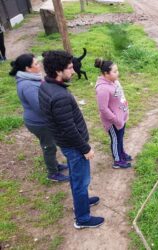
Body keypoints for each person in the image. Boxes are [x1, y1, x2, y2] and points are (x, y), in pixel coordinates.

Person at [39, 50, 104, 229]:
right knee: (81, 181)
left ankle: (81, 202)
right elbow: (69, 129)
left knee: (77, 179)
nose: (74, 71)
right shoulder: (59, 96)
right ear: (58, 71)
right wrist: (85, 148)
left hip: (65, 143)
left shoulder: (46, 85)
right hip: (74, 146)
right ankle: (82, 218)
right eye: (69, 68)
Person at [9, 53, 69, 182]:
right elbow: (41, 107)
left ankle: (55, 165)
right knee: (49, 146)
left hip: (42, 120)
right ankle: (52, 173)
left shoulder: (32, 78)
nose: (39, 65)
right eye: (36, 64)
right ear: (27, 68)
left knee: (51, 144)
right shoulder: (28, 85)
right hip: (39, 123)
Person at [94, 58, 132, 169]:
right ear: (106, 73)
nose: (117, 73)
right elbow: (103, 109)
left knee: (120, 137)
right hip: (113, 122)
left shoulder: (114, 82)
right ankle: (117, 160)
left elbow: (121, 96)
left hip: (121, 118)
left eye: (117, 70)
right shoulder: (103, 89)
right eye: (114, 72)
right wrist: (116, 119)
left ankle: (122, 153)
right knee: (115, 139)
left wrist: (126, 112)